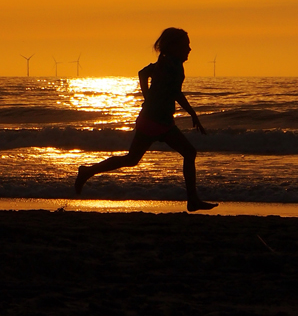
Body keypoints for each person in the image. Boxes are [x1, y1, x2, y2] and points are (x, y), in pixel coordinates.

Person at [74, 28, 217, 212]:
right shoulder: (169, 66)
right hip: (156, 122)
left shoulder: (168, 63)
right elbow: (174, 92)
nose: (189, 49)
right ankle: (193, 201)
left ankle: (87, 171)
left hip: (156, 120)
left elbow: (143, 73)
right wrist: (191, 113)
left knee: (132, 159)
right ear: (174, 47)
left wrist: (148, 97)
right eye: (186, 45)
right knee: (187, 153)